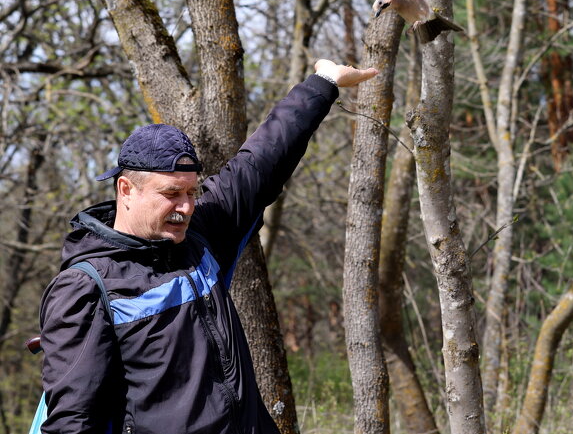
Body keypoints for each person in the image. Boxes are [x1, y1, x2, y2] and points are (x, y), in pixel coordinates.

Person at [39, 59, 378, 434]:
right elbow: (72, 421)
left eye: (190, 192)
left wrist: (323, 82)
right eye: (171, 194)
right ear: (126, 190)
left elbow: (261, 162)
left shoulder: (198, 238)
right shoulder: (85, 288)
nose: (185, 207)